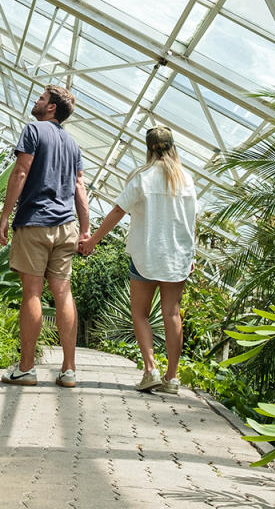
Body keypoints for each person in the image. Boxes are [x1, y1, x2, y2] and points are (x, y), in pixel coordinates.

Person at [81, 126, 196, 394]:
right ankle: (172, 378)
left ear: (148, 147)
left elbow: (118, 210)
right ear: (172, 146)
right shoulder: (186, 180)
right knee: (172, 314)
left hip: (146, 253)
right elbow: (192, 221)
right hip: (177, 256)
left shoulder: (142, 178)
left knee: (140, 314)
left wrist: (92, 241)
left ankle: (150, 370)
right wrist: (191, 254)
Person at [0, 85, 89, 388]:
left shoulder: (34, 130)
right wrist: (85, 228)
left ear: (51, 108)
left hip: (35, 222)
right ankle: (69, 370)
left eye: (41, 98)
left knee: (32, 293)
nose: (36, 101)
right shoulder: (73, 145)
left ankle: (26, 369)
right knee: (63, 293)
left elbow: (21, 172)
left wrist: (5, 215)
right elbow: (79, 187)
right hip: (66, 226)